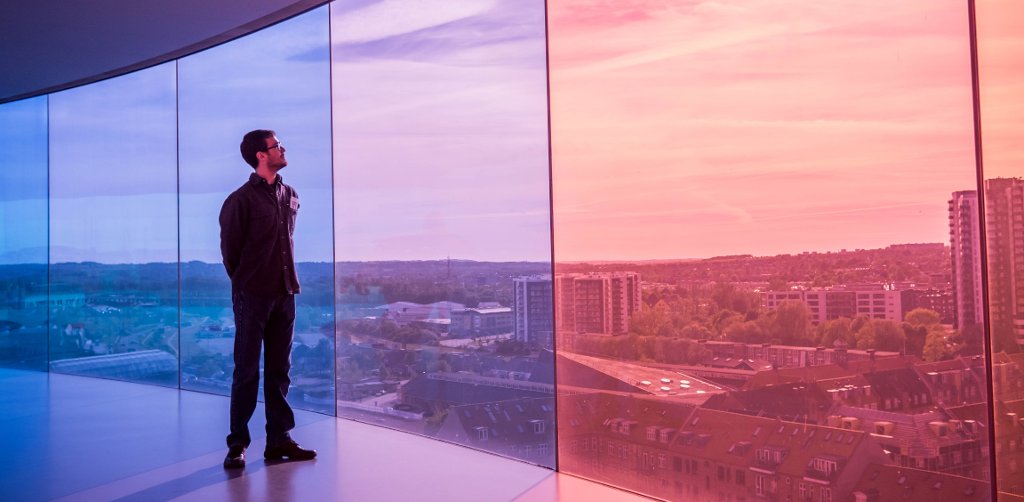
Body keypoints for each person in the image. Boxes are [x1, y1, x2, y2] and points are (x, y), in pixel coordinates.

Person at [220, 129, 316, 469]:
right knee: (246, 371)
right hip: (253, 295)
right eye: (277, 146)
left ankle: (278, 440)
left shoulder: (290, 193)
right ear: (262, 155)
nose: (282, 149)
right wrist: (247, 284)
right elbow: (230, 253)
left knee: (280, 370)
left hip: (285, 292)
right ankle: (237, 445)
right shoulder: (240, 200)